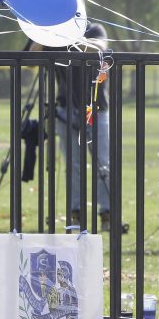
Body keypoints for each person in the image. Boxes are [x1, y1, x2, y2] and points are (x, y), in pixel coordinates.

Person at [31, 22, 114, 232]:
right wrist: (47, 32)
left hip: (96, 109)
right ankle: (75, 214)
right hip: (65, 109)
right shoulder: (52, 31)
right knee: (74, 165)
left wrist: (70, 37)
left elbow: (99, 48)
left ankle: (107, 214)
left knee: (103, 164)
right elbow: (31, 55)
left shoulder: (94, 29)